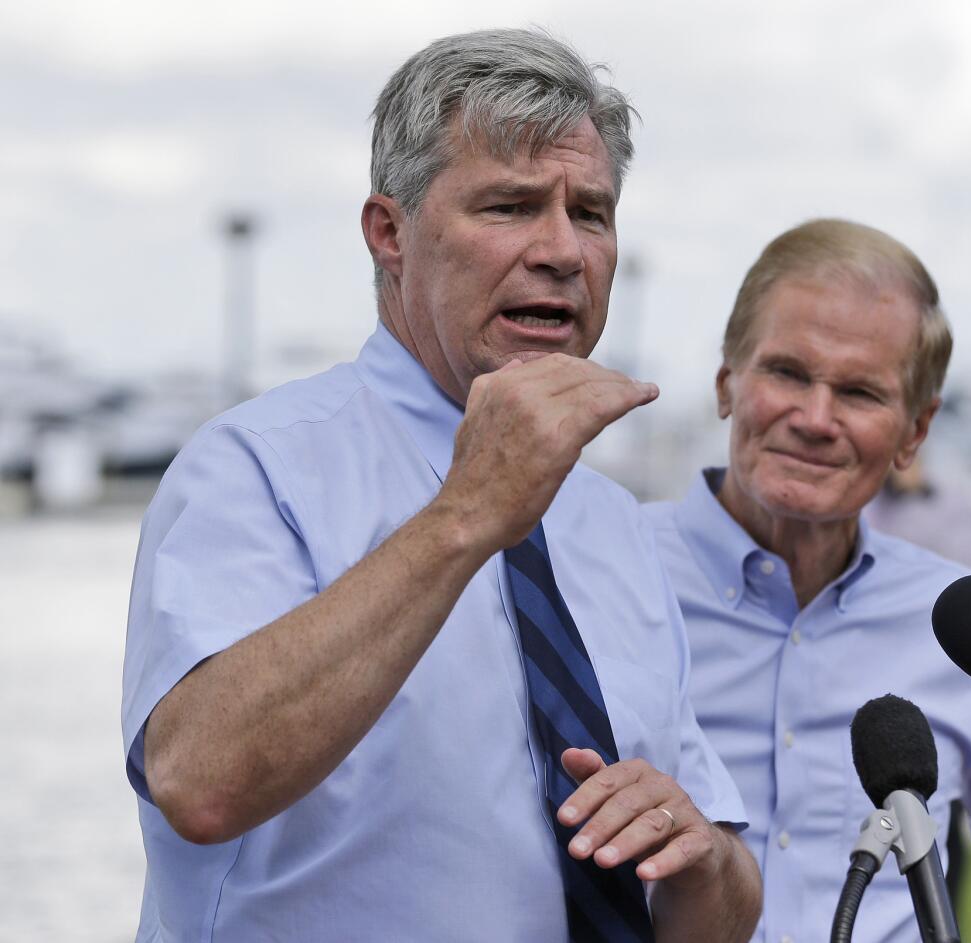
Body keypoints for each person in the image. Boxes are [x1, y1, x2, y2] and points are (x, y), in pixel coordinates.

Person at [121, 29, 761, 942]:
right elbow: (199, 778)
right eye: (509, 206)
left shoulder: (613, 522)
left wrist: (702, 859)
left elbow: (721, 909)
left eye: (591, 212)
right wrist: (468, 512)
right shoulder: (255, 468)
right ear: (389, 233)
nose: (561, 251)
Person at [643, 219, 971, 943]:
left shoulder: (955, 621)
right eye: (788, 373)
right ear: (726, 379)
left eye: (859, 392)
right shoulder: (605, 573)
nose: (816, 418)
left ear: (915, 432)